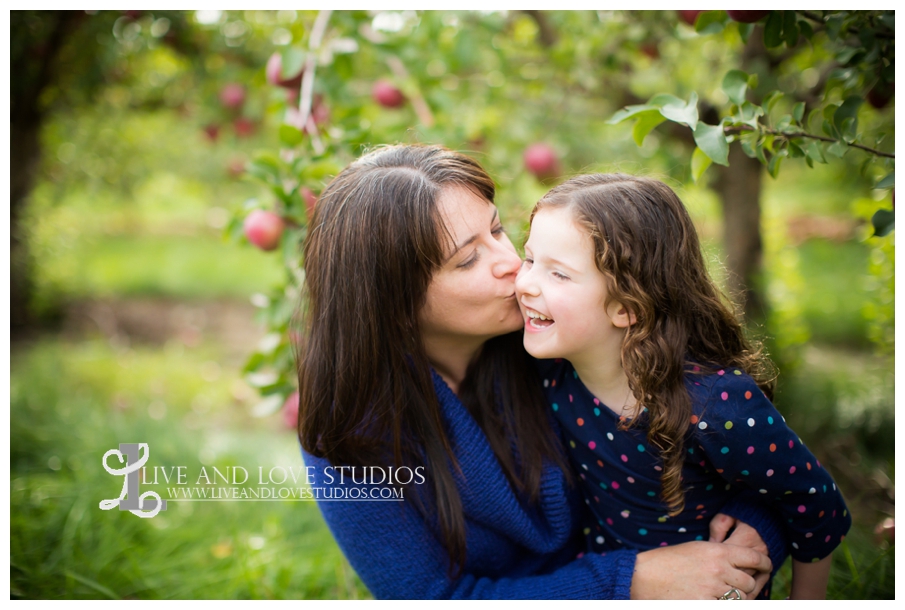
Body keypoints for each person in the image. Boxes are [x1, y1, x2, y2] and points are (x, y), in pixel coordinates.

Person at [296, 144, 783, 599]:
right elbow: (430, 598)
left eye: (498, 229)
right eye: (468, 259)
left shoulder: (561, 335)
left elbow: (733, 439)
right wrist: (629, 581)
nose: (512, 263)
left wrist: (752, 524)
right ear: (393, 304)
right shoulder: (348, 433)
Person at [514, 173, 851, 600]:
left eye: (558, 274)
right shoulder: (553, 371)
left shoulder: (714, 404)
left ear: (627, 307)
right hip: (613, 586)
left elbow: (816, 502)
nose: (525, 283)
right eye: (529, 259)